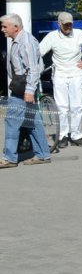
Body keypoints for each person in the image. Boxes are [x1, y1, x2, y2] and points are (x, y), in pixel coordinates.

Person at [39, 12, 82, 148]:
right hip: (60, 75)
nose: (68, 27)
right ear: (59, 24)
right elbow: (38, 52)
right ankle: (62, 136)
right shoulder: (52, 37)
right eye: (65, 24)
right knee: (62, 108)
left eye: (70, 24)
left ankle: (76, 135)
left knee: (76, 107)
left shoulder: (79, 33)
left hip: (76, 74)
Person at [0, 13, 51, 167]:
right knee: (32, 121)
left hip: (23, 87)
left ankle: (9, 158)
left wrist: (29, 91)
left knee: (11, 122)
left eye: (4, 26)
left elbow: (34, 69)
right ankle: (42, 154)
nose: (2, 29)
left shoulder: (26, 42)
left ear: (16, 27)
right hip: (23, 85)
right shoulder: (19, 40)